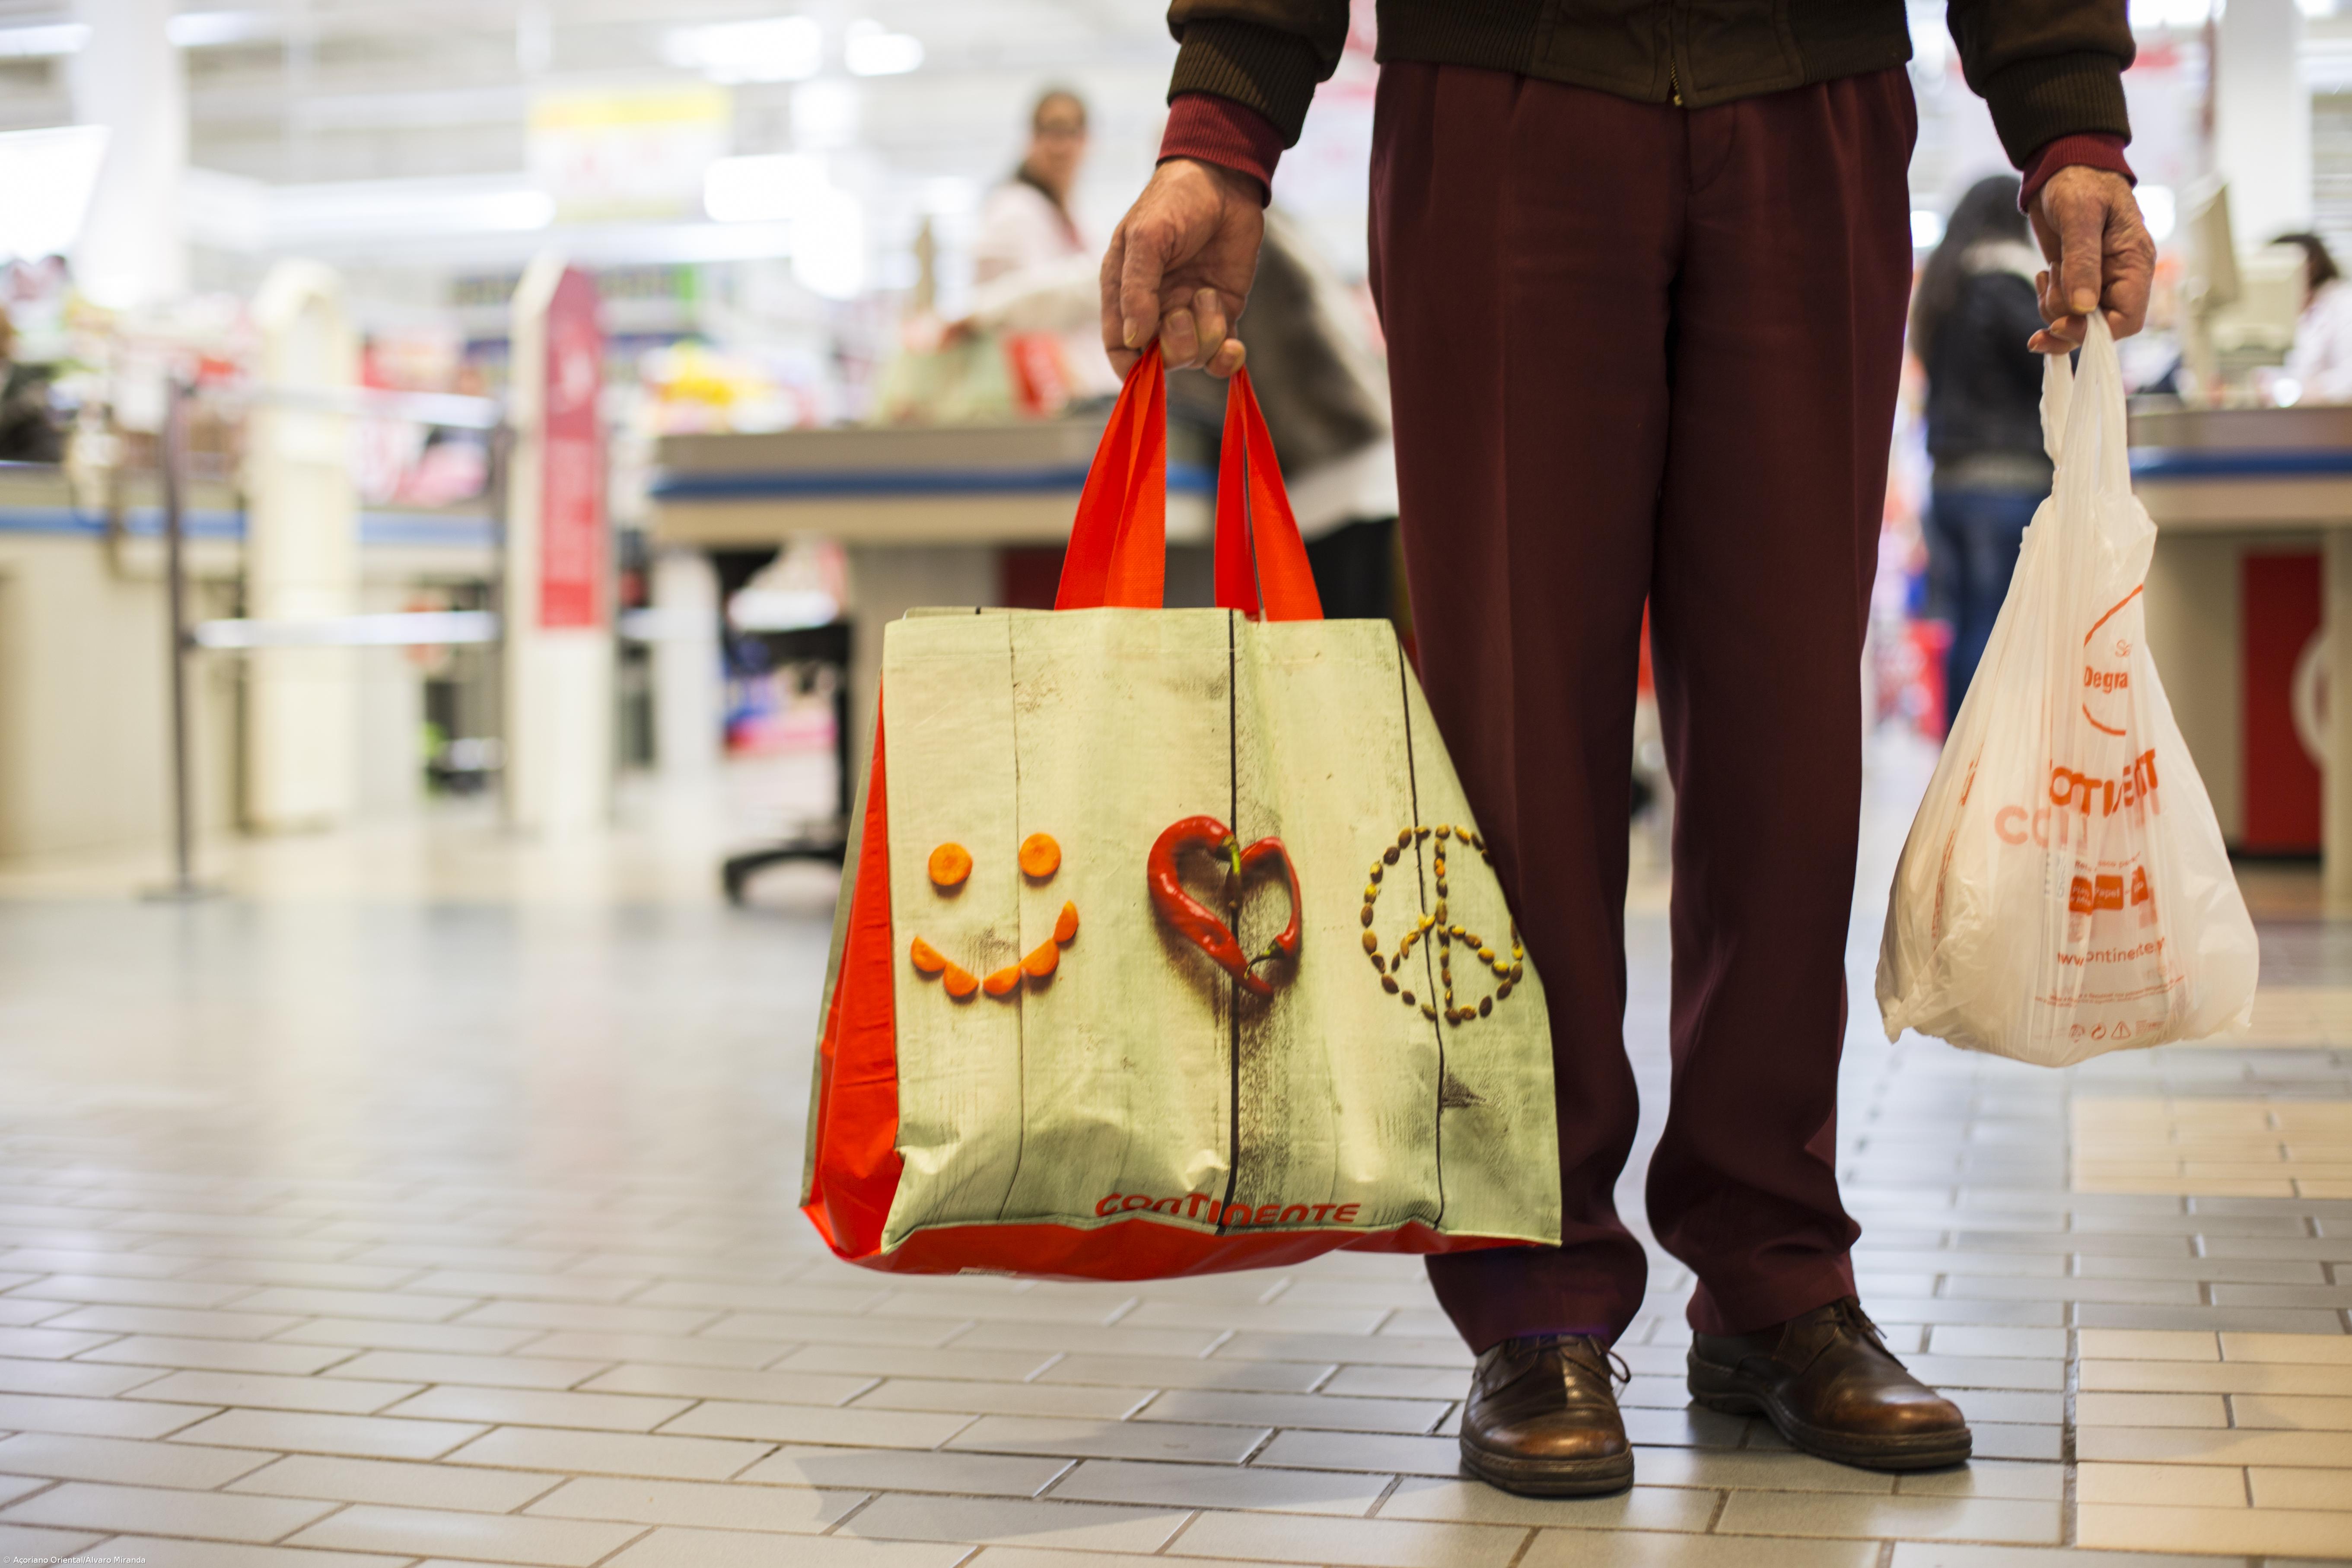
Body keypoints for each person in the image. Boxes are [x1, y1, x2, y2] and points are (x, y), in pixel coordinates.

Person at [1100, 0, 2152, 1498]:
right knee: (1512, 730)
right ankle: (1532, 1279)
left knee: (1790, 729)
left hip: (1809, 86)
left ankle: (1775, 1266)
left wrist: (2066, 116)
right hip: (1502, 85)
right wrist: (1222, 123)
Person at [1914, 175, 2050, 719]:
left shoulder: (1944, 289)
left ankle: (1960, 771)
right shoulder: (2002, 284)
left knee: (1968, 627)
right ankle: (1987, 774)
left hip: (1948, 484)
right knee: (1996, 636)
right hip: (2004, 482)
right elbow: (2052, 364)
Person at [964, 88, 1120, 403]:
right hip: (1036, 399)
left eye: (1071, 132)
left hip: (1088, 397)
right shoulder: (1011, 209)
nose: (1060, 146)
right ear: (1031, 139)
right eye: (1050, 131)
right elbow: (1014, 308)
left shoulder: (1078, 219)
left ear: (1087, 141)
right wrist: (1108, 280)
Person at [2279, 232, 2352, 404]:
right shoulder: (2298, 311)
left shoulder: (2345, 304)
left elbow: (2348, 380)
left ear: (2310, 265)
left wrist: (2298, 392)